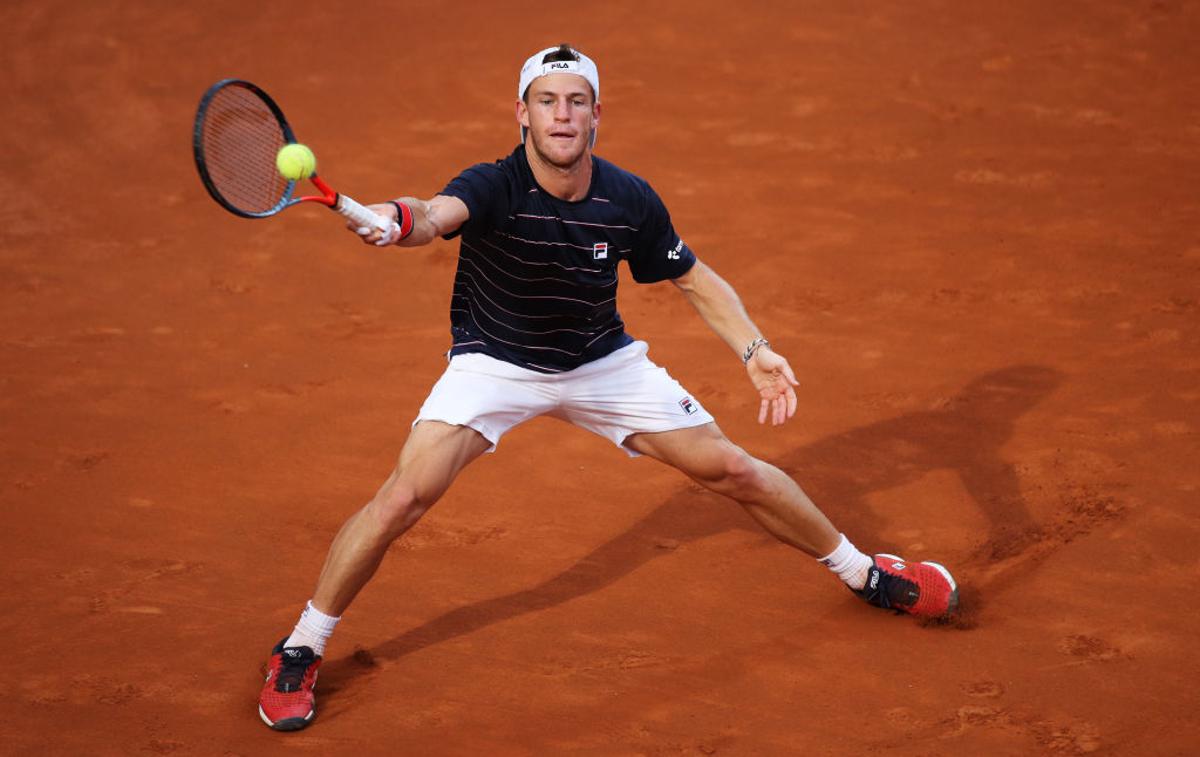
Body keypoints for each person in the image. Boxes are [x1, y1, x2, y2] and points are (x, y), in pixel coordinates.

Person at [256, 43, 958, 732]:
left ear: (596, 115)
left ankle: (866, 574)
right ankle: (301, 647)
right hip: (494, 365)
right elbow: (433, 214)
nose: (562, 116)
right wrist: (395, 219)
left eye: (576, 102)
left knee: (736, 469)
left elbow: (692, 276)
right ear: (522, 116)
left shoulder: (627, 199)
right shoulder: (493, 184)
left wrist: (756, 348)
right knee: (403, 496)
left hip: (600, 363)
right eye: (546, 102)